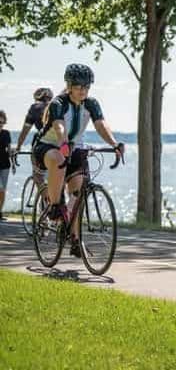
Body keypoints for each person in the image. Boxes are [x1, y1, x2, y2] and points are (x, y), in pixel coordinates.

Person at [34, 64, 124, 257]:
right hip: (48, 146)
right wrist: (64, 143)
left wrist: (115, 144)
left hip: (74, 148)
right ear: (69, 86)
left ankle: (75, 239)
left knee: (77, 194)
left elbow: (101, 125)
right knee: (58, 158)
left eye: (86, 86)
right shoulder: (59, 103)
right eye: (78, 86)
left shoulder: (91, 103)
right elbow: (59, 127)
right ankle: (55, 206)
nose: (83, 90)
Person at [15, 87, 54, 189]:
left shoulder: (35, 108)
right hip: (60, 144)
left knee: (38, 175)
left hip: (42, 144)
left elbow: (25, 131)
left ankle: (45, 198)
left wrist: (18, 147)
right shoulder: (57, 106)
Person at [0, 110, 11, 220]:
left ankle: (0, 211)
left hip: (5, 165)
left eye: (2, 122)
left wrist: (12, 155)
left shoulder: (6, 133)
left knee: (3, 190)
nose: (1, 124)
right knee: (1, 188)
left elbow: (8, 148)